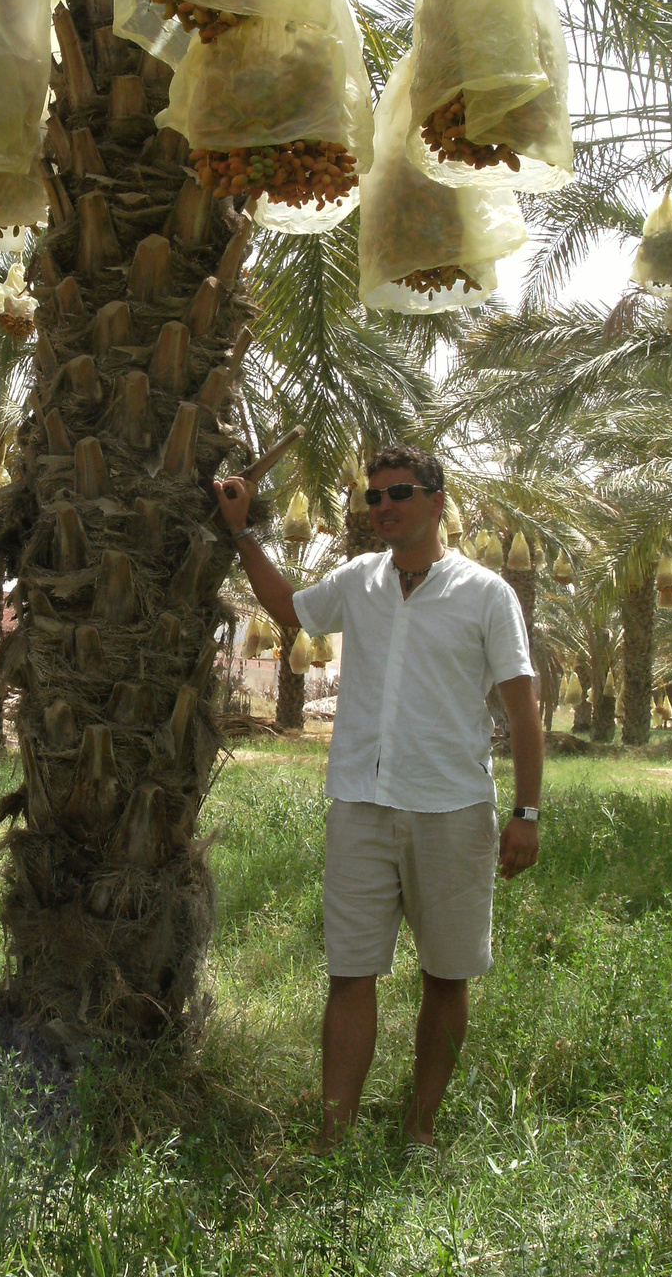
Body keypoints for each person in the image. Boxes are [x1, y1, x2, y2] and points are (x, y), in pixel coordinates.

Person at [215, 443, 542, 1153]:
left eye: (399, 493)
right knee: (349, 971)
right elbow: (284, 607)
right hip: (361, 803)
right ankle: (333, 1139)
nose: (384, 507)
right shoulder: (358, 580)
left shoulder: (486, 594)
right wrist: (243, 532)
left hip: (452, 810)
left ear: (436, 499)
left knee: (446, 975)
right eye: (374, 498)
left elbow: (523, 712)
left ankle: (419, 1130)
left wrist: (527, 813)